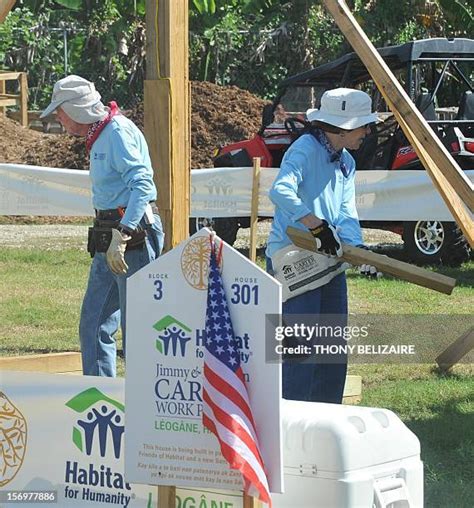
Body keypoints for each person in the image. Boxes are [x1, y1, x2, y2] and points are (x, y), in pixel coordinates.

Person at [40, 75, 164, 377]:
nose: (58, 116)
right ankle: (99, 394)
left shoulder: (116, 132)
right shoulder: (101, 132)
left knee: (137, 326)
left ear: (77, 109)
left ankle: (143, 399)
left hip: (132, 235)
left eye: (60, 109)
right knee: (93, 323)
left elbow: (143, 186)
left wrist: (123, 233)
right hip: (111, 232)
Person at [266, 87, 381, 404]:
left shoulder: (346, 161)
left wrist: (358, 248)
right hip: (293, 259)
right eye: (364, 125)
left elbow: (346, 212)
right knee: (299, 352)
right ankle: (292, 422)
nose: (368, 131)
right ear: (344, 126)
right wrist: (314, 223)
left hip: (328, 261)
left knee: (331, 350)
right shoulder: (304, 148)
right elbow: (280, 191)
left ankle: (327, 420)